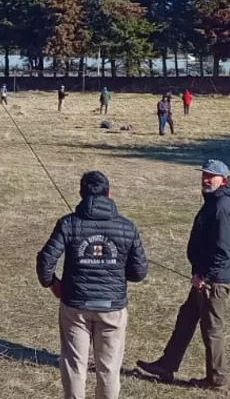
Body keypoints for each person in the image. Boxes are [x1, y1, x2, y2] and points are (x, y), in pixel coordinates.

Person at [37, 171, 148, 399]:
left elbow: (45, 261)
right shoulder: (127, 227)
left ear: (81, 193)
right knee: (109, 370)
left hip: (76, 306)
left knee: (74, 365)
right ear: (108, 193)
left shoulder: (68, 223)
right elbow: (138, 273)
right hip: (109, 308)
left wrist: (52, 283)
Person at [137, 159, 230, 390]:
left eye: (211, 176)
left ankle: (217, 380)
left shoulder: (223, 207)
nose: (205, 179)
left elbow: (223, 250)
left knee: (212, 330)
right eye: (204, 175)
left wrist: (205, 276)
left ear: (223, 180)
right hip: (204, 277)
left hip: (213, 282)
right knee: (186, 318)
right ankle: (166, 366)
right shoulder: (214, 201)